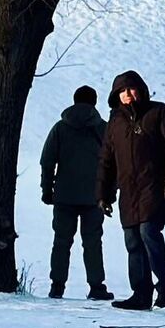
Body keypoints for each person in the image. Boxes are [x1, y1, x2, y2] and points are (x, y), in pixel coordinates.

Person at [97, 70, 165, 311]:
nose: (127, 95)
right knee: (133, 241)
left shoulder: (160, 113)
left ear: (141, 89)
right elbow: (107, 159)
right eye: (122, 91)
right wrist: (104, 194)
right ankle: (141, 294)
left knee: (149, 232)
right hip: (128, 190)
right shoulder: (115, 122)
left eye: (131, 89)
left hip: (155, 186)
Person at [40, 84, 113, 301]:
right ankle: (96, 286)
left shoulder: (60, 128)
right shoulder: (104, 129)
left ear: (74, 100)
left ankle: (57, 285)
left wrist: (47, 189)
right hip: (95, 196)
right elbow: (113, 163)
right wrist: (109, 193)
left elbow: (47, 161)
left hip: (64, 195)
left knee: (61, 241)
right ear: (94, 102)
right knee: (92, 242)